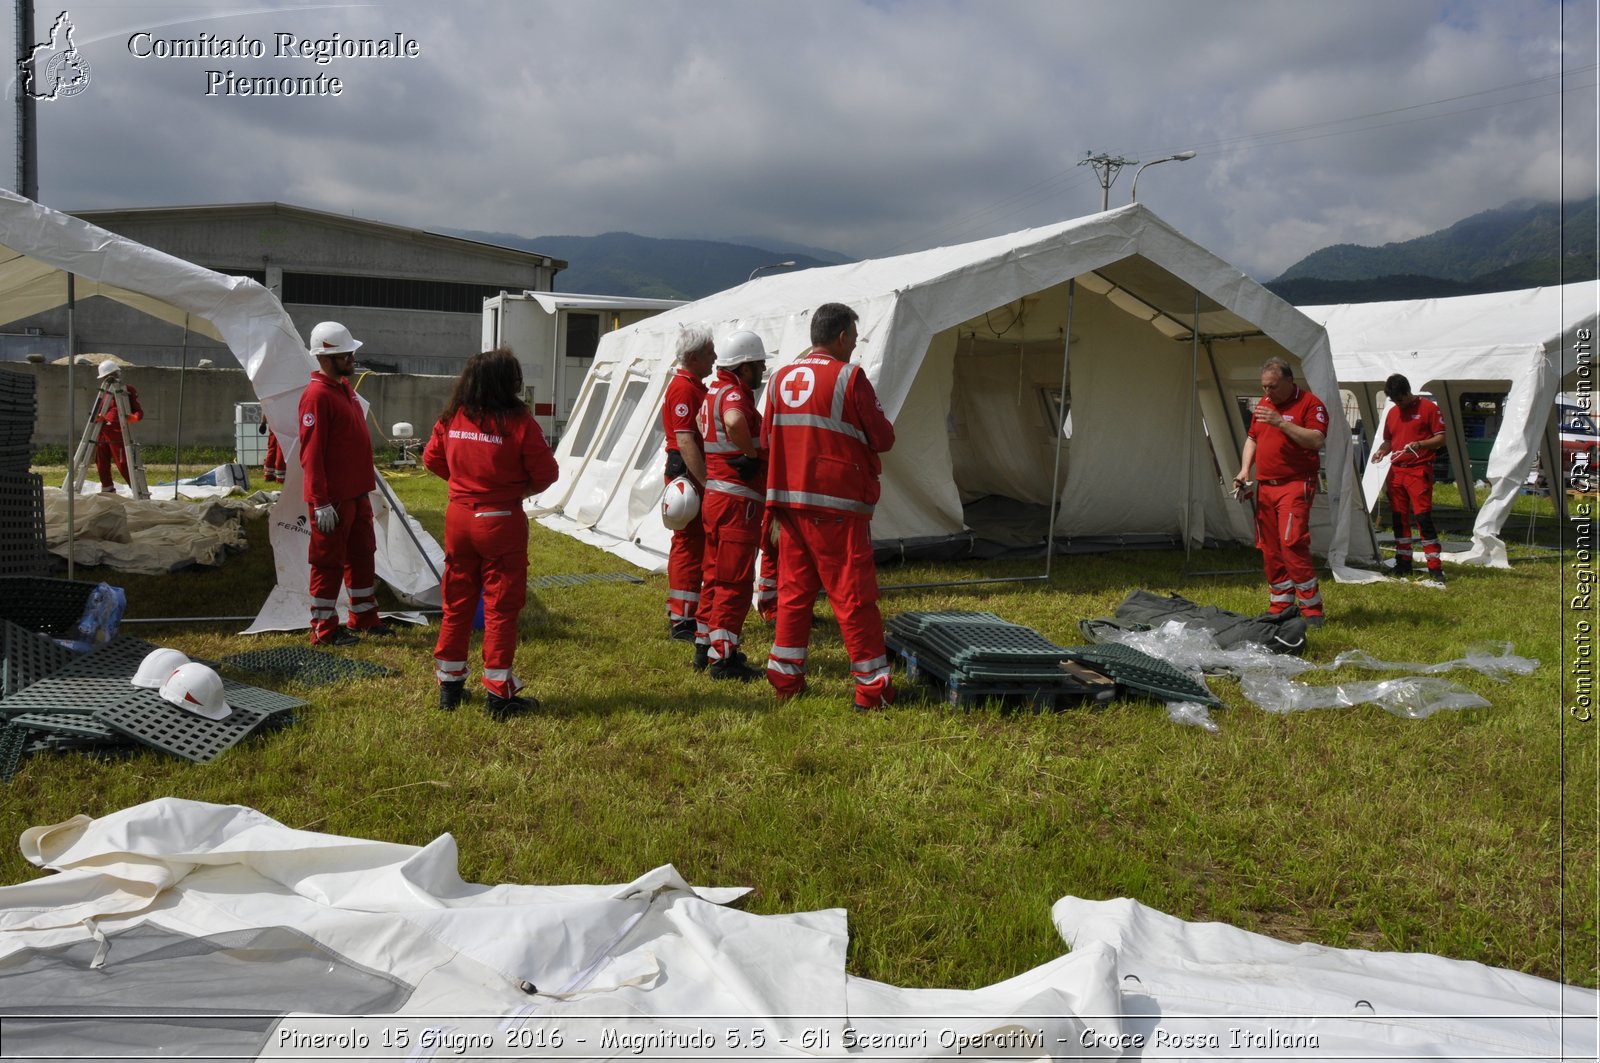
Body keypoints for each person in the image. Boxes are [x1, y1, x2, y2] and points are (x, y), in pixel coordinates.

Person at [762, 302, 897, 709]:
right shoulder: (849, 377)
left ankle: (785, 679)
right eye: (854, 339)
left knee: (793, 594)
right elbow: (883, 437)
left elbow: (768, 437)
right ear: (841, 337)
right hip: (835, 505)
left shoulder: (780, 377)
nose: (855, 347)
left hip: (789, 502)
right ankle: (873, 690)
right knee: (854, 597)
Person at [424, 347, 559, 719]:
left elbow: (432, 458)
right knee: (501, 607)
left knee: (456, 602)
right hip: (499, 519)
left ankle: (449, 686)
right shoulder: (518, 422)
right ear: (508, 383)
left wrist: (465, 485)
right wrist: (512, 490)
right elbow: (547, 473)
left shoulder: (454, 416)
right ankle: (499, 694)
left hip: (458, 518)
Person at [298, 321, 387, 646]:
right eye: (345, 353)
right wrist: (320, 501)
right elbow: (312, 454)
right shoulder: (316, 397)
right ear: (325, 357)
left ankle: (364, 617)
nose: (352, 357)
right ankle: (324, 629)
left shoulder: (343, 389)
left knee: (363, 554)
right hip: (333, 499)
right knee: (328, 562)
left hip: (356, 494)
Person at [695, 330, 770, 681]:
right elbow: (735, 421)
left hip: (715, 495)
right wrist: (750, 452)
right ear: (744, 367)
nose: (762, 370)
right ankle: (723, 658)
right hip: (738, 500)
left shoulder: (712, 391)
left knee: (713, 574)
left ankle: (704, 643)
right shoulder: (734, 395)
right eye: (758, 365)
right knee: (735, 581)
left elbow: (699, 423)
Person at [1233, 356, 1329, 627]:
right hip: (1266, 485)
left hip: (1296, 483)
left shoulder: (1311, 404)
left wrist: (1281, 422)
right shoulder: (1264, 404)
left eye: (1273, 386)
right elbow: (1252, 438)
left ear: (1290, 381)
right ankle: (1280, 606)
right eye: (1264, 386)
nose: (1267, 392)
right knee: (1270, 547)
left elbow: (1316, 439)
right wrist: (1244, 471)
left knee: (1292, 542)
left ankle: (1312, 611)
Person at [661, 326, 715, 643]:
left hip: (689, 475)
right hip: (688, 476)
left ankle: (686, 613)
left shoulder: (692, 386)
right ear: (693, 357)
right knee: (688, 545)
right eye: (709, 353)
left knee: (693, 545)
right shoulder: (684, 389)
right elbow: (685, 440)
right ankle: (682, 618)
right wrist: (706, 481)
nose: (714, 358)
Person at [1370, 373, 1447, 586]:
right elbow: (1389, 440)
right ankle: (1403, 561)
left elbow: (1441, 438)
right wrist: (1381, 452)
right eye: (1393, 400)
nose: (1397, 404)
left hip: (1418, 470)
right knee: (1398, 518)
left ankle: (1434, 566)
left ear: (1407, 392)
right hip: (1397, 472)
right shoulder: (1393, 413)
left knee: (1423, 518)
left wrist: (1420, 444)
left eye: (1399, 399)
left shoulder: (1429, 409)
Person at [93, 360, 142, 494]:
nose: (110, 379)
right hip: (102, 431)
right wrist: (97, 417)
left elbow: (138, 411)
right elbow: (100, 410)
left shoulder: (127, 390)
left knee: (123, 464)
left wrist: (134, 417)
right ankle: (107, 488)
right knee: (101, 461)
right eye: (107, 377)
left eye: (113, 375)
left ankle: (136, 490)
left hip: (118, 433)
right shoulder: (103, 393)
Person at [260, 415, 286, 484]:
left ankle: (268, 474)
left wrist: (263, 422)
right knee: (281, 448)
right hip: (284, 421)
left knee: (272, 448)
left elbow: (265, 407)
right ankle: (281, 477)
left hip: (273, 422)